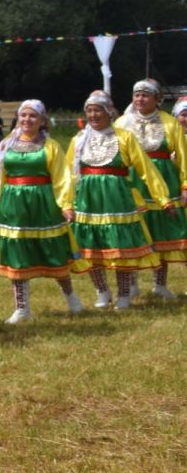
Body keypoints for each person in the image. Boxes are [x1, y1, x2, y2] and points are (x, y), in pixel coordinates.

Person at [69, 91, 173, 310]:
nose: (93, 114)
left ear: (108, 112)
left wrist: (163, 198)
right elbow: (69, 174)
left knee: (120, 247)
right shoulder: (78, 140)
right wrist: (67, 204)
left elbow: (146, 168)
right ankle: (102, 291)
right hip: (88, 200)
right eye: (89, 110)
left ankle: (124, 295)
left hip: (117, 199)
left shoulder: (124, 137)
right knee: (90, 246)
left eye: (98, 110)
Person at [0, 99, 84, 321]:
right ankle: (22, 307)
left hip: (43, 204)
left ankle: (71, 297)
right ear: (18, 118)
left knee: (54, 250)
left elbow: (61, 178)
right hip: (13, 205)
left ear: (42, 120)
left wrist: (66, 205)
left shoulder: (51, 147)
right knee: (17, 252)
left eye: (33, 116)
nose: (27, 120)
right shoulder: (5, 146)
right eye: (24, 115)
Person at [116, 79, 187, 299]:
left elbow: (184, 157)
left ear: (157, 99)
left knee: (162, 232)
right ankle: (132, 281)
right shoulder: (121, 123)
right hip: (133, 182)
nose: (140, 99)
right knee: (134, 230)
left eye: (145, 95)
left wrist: (185, 186)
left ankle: (160, 283)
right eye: (136, 95)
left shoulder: (170, 123)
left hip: (164, 182)